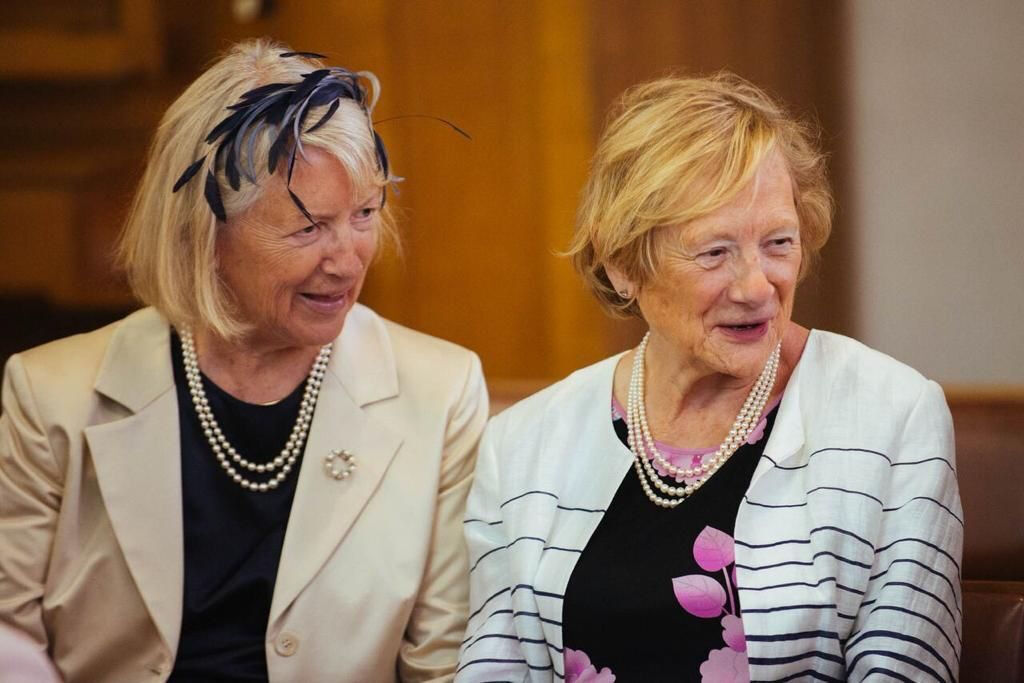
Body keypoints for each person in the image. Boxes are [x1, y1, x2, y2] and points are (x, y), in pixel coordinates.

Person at [0, 39, 487, 682]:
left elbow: (446, 664)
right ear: (204, 234)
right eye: (308, 228)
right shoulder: (50, 394)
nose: (347, 260)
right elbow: (9, 641)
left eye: (364, 214)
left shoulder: (441, 393)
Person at [457, 73, 962, 682]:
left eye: (778, 243)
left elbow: (906, 668)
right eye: (714, 252)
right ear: (621, 264)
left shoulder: (893, 415)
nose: (756, 286)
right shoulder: (522, 445)